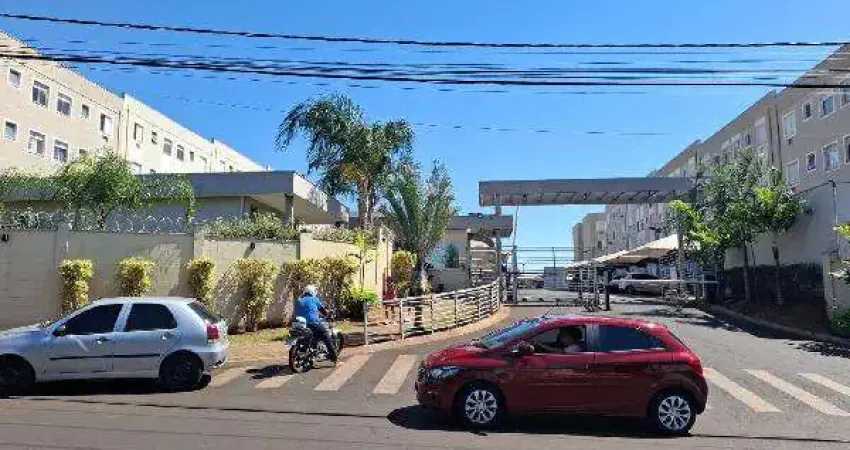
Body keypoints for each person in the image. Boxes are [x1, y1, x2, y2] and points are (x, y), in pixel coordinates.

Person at [293, 285, 339, 366]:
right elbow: (323, 311)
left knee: (312, 335)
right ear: (312, 292)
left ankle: (311, 353)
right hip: (313, 322)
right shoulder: (314, 299)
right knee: (326, 336)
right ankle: (335, 359)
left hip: (298, 324)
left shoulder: (299, 300)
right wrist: (327, 314)